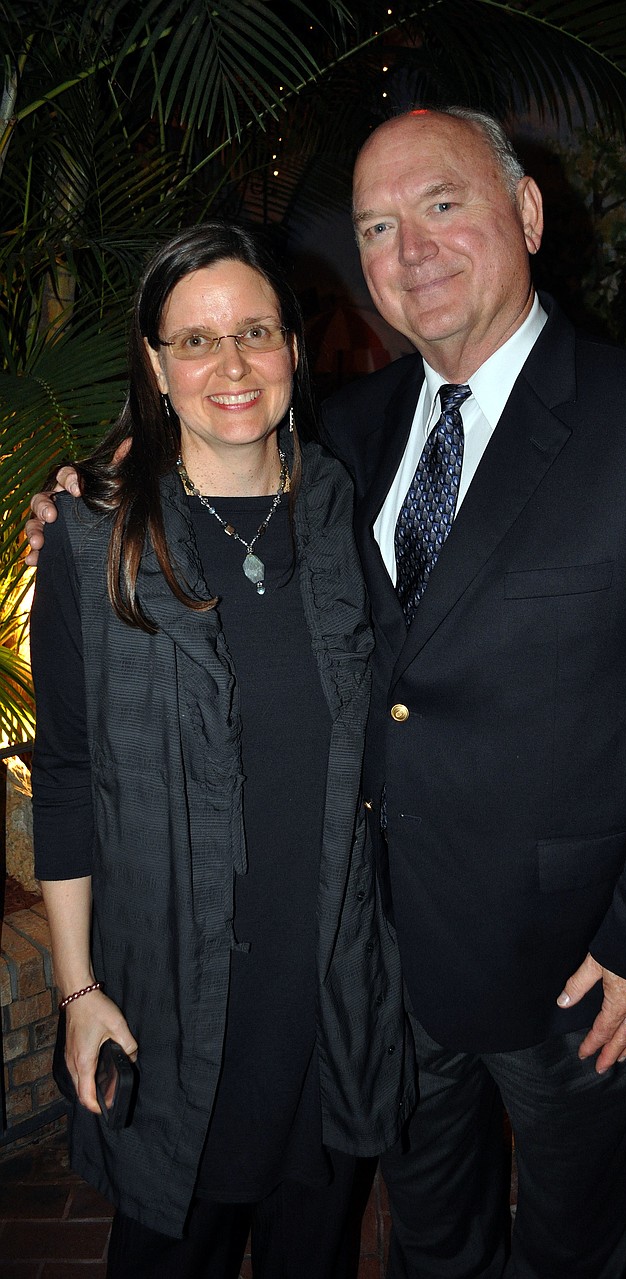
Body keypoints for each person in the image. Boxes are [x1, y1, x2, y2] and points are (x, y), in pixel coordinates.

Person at [29, 110, 626, 1278]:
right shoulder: (349, 435)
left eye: (442, 205)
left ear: (525, 214)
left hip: (573, 971)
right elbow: (215, 451)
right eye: (378, 223)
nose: (409, 246)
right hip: (380, 966)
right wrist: (99, 485)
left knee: (572, 1246)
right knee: (432, 1236)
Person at [28, 222, 411, 1279]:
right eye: (194, 341)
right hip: (172, 997)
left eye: (255, 331)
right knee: (167, 1250)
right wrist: (76, 991)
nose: (231, 365)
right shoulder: (87, 536)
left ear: (295, 342)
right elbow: (63, 777)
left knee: (313, 1251)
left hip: (327, 988)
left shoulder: (351, 508)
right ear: (153, 364)